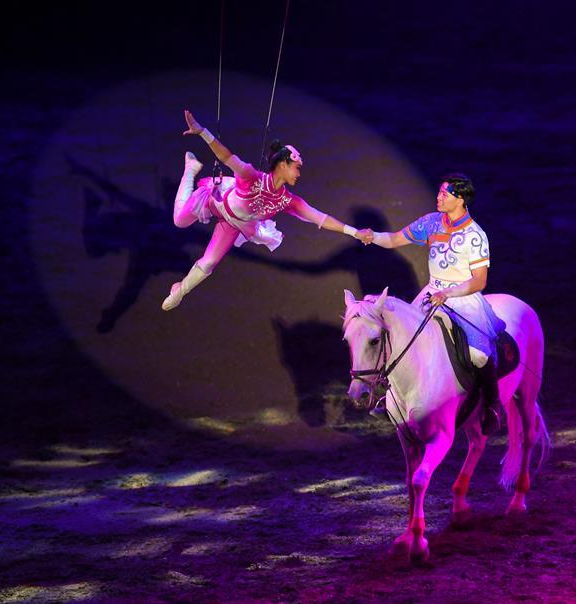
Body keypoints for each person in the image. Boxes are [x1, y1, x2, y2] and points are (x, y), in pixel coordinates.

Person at [163, 109, 373, 310]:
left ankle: (180, 291)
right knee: (179, 221)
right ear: (283, 164)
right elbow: (227, 157)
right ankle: (190, 170)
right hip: (215, 200)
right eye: (297, 167)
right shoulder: (251, 176)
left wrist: (356, 232)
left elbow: (322, 218)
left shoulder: (288, 201)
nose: (299, 174)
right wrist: (202, 132)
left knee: (208, 263)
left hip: (234, 224)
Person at [359, 173, 505, 432]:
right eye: (439, 192)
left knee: (479, 353)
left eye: (444, 194)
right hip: (432, 292)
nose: (438, 197)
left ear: (459, 199)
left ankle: (492, 404)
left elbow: (480, 281)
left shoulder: (475, 236)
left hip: (462, 298)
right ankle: (390, 397)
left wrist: (449, 294)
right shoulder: (432, 223)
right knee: (403, 335)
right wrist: (373, 236)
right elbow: (394, 239)